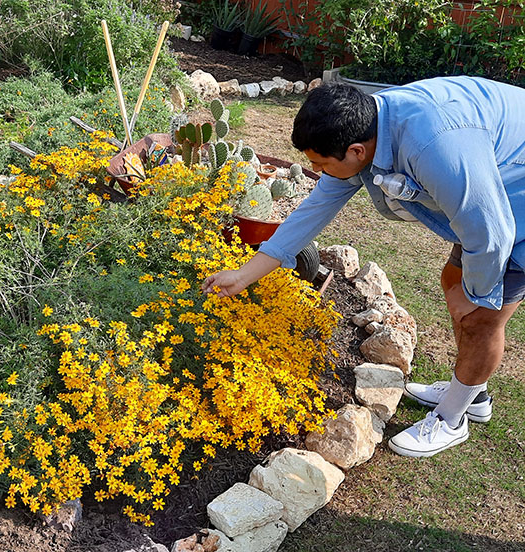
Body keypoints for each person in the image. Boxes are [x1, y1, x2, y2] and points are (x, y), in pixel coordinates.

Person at [202, 77, 525, 458]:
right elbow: (312, 211)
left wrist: (477, 297)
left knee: (480, 319)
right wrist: (243, 275)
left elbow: (492, 237)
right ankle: (473, 392)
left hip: (513, 210)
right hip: (490, 187)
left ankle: (452, 419)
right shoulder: (368, 124)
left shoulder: (435, 147)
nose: (315, 170)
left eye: (320, 163)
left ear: (356, 151)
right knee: (453, 281)